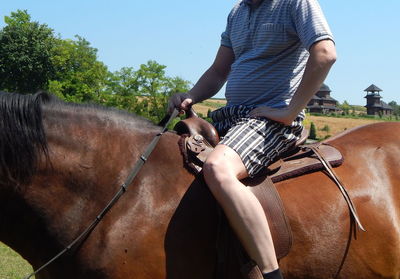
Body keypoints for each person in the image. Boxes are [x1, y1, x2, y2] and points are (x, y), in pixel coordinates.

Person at [168, 0, 336, 278]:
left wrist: (289, 111)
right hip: (230, 116)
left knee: (218, 169)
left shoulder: (296, 3)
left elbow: (325, 53)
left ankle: (270, 273)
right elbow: (219, 70)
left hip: (270, 121)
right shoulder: (238, 12)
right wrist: (191, 95)